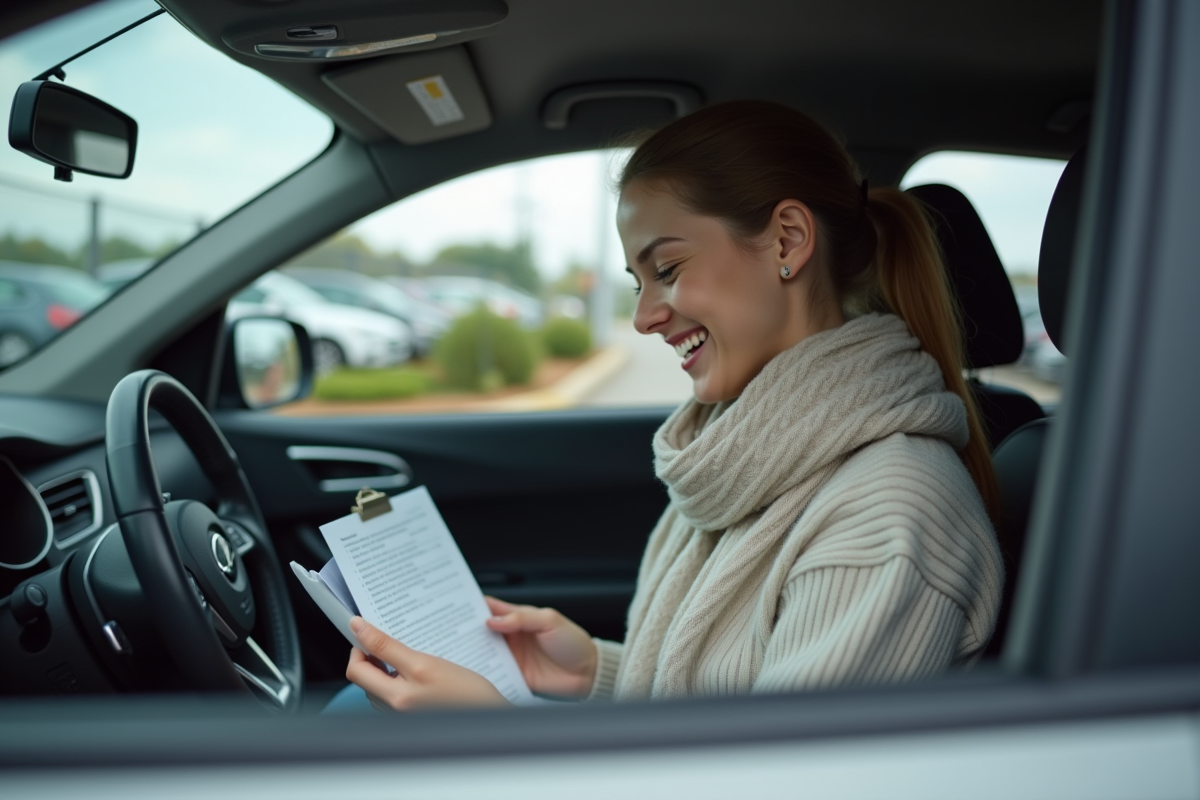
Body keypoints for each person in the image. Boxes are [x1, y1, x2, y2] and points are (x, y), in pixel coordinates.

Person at [334, 100, 1004, 712]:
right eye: (637, 281)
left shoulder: (888, 522)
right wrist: (597, 670)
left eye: (669, 269)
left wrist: (491, 731)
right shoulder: (748, 451)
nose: (645, 318)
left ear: (788, 241)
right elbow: (728, 699)